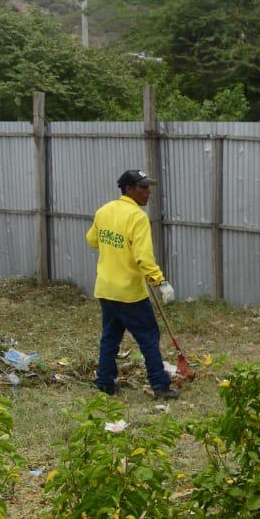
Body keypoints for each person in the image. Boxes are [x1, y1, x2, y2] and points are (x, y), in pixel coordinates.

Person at [86, 169, 179, 400]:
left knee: (110, 337)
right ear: (128, 189)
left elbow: (92, 240)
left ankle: (105, 382)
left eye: (149, 187)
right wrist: (161, 282)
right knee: (148, 337)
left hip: (106, 289)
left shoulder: (103, 211)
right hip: (129, 293)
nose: (148, 192)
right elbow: (144, 257)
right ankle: (160, 385)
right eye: (143, 187)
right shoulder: (137, 217)